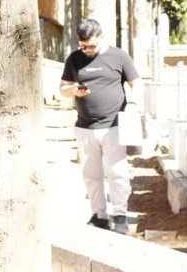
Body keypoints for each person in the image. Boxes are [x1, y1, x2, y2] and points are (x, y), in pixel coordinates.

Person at [60, 18, 139, 234]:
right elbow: (63, 88)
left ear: (101, 38)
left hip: (113, 125)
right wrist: (73, 90)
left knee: (117, 172)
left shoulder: (119, 57)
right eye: (83, 46)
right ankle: (99, 215)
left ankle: (120, 214)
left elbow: (136, 83)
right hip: (85, 127)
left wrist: (133, 104)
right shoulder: (74, 59)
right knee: (91, 175)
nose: (87, 50)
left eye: (92, 46)